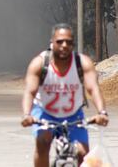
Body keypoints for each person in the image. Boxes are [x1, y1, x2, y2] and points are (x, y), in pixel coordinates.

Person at [21, 23, 109, 167]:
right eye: (59, 41)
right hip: (45, 113)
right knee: (42, 143)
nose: (64, 45)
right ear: (51, 43)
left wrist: (102, 112)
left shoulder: (83, 63)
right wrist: (26, 115)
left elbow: (93, 88)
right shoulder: (39, 64)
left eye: (68, 42)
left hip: (73, 114)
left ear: (73, 44)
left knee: (82, 154)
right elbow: (30, 91)